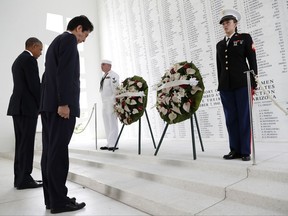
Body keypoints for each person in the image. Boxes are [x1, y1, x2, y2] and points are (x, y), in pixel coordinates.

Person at [40, 15, 93, 214]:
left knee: (50, 153)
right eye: (85, 34)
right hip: (60, 108)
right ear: (79, 28)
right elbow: (64, 74)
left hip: (48, 106)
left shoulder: (56, 41)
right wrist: (63, 103)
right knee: (58, 154)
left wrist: (48, 102)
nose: (84, 39)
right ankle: (60, 201)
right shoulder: (69, 40)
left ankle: (52, 199)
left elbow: (48, 75)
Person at [216, 9, 258, 161]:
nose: (225, 25)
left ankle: (245, 151)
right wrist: (220, 84)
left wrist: (254, 81)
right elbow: (219, 67)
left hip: (242, 83)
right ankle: (234, 149)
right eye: (223, 23)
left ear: (235, 23)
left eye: (228, 22)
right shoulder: (219, 45)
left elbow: (252, 60)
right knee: (230, 118)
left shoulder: (244, 38)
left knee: (244, 117)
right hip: (226, 86)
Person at [7, 37, 43, 190]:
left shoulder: (18, 60)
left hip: (18, 107)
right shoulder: (29, 60)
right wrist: (42, 104)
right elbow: (34, 86)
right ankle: (25, 179)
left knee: (21, 144)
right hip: (27, 108)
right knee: (26, 145)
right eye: (40, 49)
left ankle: (20, 178)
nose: (40, 53)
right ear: (33, 46)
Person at [99, 60, 120, 151]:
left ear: (109, 66)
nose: (101, 66)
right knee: (106, 122)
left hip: (111, 102)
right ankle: (109, 142)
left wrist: (114, 102)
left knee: (112, 122)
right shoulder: (104, 76)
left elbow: (115, 89)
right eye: (101, 65)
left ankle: (113, 143)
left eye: (103, 64)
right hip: (104, 102)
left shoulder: (113, 75)